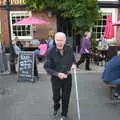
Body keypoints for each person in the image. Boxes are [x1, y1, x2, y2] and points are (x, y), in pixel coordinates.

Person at [44, 32, 76, 120]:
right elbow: (47, 67)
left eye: (61, 40)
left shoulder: (69, 49)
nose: (59, 42)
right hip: (56, 78)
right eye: (57, 40)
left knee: (66, 97)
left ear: (65, 40)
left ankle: (64, 114)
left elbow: (73, 60)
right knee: (56, 96)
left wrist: (73, 64)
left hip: (67, 77)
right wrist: (57, 74)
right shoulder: (50, 51)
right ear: (54, 40)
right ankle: (56, 106)